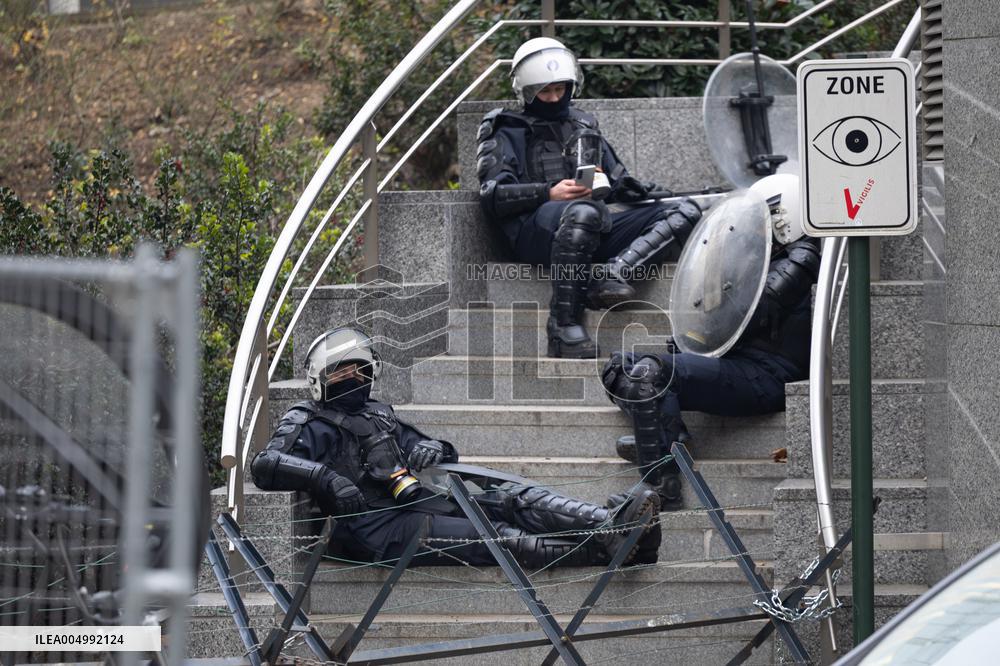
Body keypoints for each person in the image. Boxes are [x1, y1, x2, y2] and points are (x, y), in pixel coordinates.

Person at [251, 327, 662, 567]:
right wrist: (324, 478)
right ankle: (610, 547)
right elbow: (264, 465)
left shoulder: (378, 412)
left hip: (418, 502)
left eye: (359, 368)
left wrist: (434, 448)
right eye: (343, 369)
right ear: (323, 376)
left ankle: (610, 525)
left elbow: (433, 448)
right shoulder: (307, 419)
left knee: (514, 498)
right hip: (372, 531)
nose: (354, 376)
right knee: (497, 536)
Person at [601, 176, 822, 510]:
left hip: (766, 375)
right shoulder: (763, 255)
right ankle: (669, 437)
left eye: (762, 219)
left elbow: (749, 313)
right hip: (738, 362)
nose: (752, 229)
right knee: (620, 366)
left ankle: (663, 487)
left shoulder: (802, 257)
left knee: (648, 373)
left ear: (784, 216)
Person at [476, 37, 702, 358]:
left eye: (561, 89)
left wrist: (624, 186)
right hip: (535, 233)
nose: (555, 98)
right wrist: (548, 192)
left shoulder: (583, 123)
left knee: (684, 211)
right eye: (545, 91)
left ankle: (615, 274)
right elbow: (493, 195)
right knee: (583, 212)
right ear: (526, 91)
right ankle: (563, 326)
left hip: (591, 226)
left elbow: (620, 181)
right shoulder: (506, 127)